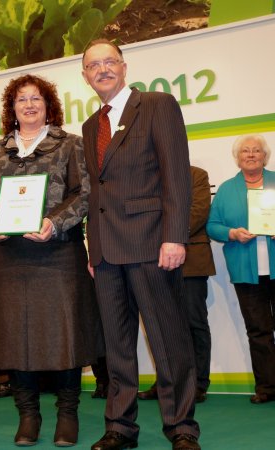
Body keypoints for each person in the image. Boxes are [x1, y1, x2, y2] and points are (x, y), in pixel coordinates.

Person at [0, 74, 103, 447]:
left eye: (36, 99)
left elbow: (84, 195)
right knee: (15, 338)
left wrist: (53, 223)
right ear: (11, 108)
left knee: (66, 335)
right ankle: (28, 415)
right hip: (10, 257)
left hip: (59, 253)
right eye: (21, 100)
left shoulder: (70, 145)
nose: (28, 105)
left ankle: (67, 413)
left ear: (49, 106)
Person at [80, 39, 200, 450]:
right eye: (93, 65)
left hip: (152, 244)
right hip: (106, 253)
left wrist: (174, 236)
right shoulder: (89, 125)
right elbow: (96, 193)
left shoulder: (157, 104)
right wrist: (92, 249)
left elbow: (176, 177)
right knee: (116, 347)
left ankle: (181, 427)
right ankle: (119, 428)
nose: (102, 69)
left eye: (109, 61)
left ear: (124, 66)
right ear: (85, 76)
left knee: (168, 341)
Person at [207, 134, 275, 404]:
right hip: (245, 272)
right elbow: (212, 226)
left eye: (256, 150)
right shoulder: (226, 189)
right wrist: (232, 233)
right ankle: (268, 388)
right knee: (258, 331)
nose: (251, 154)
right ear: (237, 158)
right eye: (245, 151)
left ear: (264, 156)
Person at [139, 166, 216, 403]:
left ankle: (198, 384)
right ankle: (167, 381)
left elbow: (199, 212)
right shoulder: (145, 176)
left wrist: (164, 237)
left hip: (191, 259)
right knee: (160, 326)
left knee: (194, 323)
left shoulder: (197, 175)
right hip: (153, 261)